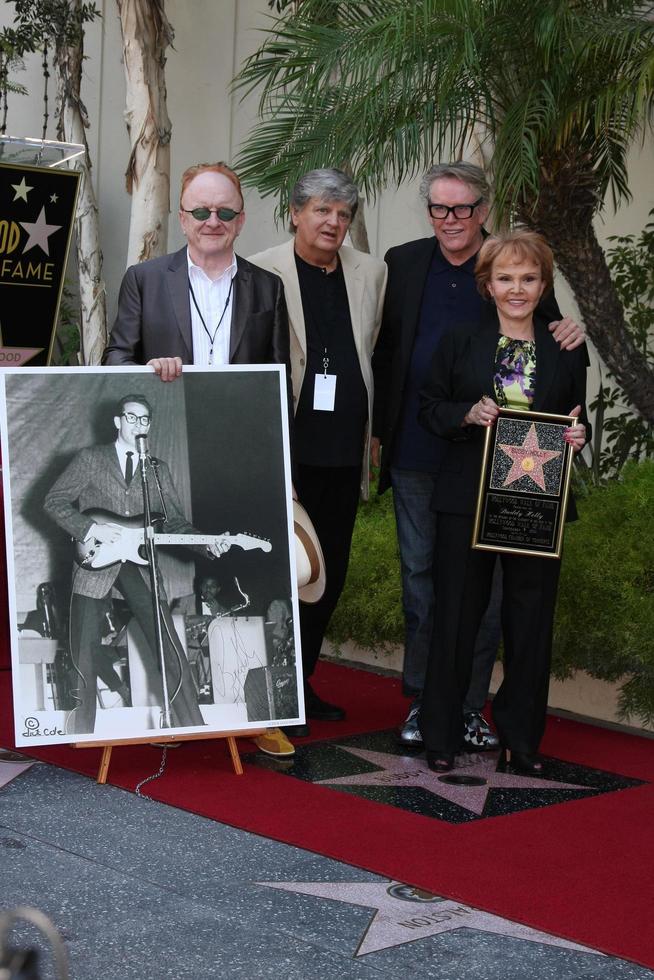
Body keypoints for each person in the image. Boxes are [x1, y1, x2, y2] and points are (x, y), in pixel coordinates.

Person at [371, 161, 586, 749]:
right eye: (440, 208)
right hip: (421, 448)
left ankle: (469, 706)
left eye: (463, 208)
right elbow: (387, 351)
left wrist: (571, 345)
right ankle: (424, 703)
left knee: (488, 599)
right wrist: (377, 430)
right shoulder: (403, 262)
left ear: (483, 211)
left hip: (509, 470)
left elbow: (556, 363)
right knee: (423, 582)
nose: (451, 219)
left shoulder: (513, 260)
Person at [417, 229, 589, 773]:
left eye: (529, 278)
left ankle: (522, 740)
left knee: (531, 620)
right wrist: (466, 413)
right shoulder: (460, 337)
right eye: (505, 278)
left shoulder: (565, 344)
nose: (518, 289)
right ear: (487, 284)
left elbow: (576, 418)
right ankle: (440, 736)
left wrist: (577, 438)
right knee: (455, 618)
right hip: (467, 495)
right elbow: (429, 408)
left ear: (544, 284)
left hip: (536, 497)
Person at [250, 168, 387, 735]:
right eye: (322, 211)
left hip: (343, 450)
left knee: (328, 573)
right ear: (295, 213)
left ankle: (299, 682)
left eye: (343, 214)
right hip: (287, 449)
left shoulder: (371, 271)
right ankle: (271, 690)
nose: (334, 223)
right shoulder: (260, 270)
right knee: (279, 572)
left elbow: (374, 345)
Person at [44, 393, 232, 735]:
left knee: (169, 649)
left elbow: (174, 522)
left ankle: (193, 727)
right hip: (94, 561)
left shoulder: (156, 469)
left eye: (145, 419)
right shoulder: (91, 458)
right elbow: (54, 501)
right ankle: (81, 736)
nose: (139, 425)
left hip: (140, 563)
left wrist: (206, 542)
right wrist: (90, 528)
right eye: (132, 417)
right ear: (118, 422)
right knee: (82, 654)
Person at [102, 162, 290, 382]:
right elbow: (115, 358)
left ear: (240, 222)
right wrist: (147, 370)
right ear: (183, 220)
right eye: (201, 212)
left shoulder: (269, 287)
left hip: (241, 416)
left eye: (225, 213)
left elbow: (280, 381)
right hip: (168, 412)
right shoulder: (143, 280)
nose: (213, 222)